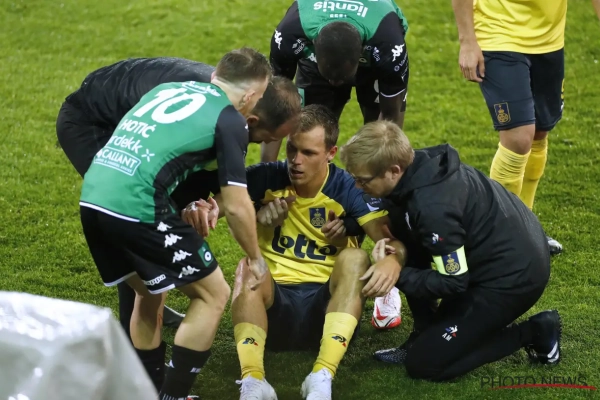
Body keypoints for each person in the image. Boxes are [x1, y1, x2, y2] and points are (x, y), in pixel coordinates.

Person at [78, 48, 273, 399]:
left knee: (148, 292)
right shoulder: (230, 119)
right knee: (214, 295)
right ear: (248, 96)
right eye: (258, 97)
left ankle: (148, 391)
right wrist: (255, 258)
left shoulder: (167, 89)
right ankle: (173, 395)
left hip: (93, 198)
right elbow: (236, 204)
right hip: (136, 205)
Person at [56, 57, 301, 333]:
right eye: (268, 137)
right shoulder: (228, 118)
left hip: (128, 110)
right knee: (135, 210)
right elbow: (233, 197)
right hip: (91, 120)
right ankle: (138, 313)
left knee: (172, 209)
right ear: (253, 118)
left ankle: (151, 299)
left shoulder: (230, 101)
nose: (266, 143)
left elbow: (224, 187)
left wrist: (205, 206)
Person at [183, 105, 404, 399]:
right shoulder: (264, 178)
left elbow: (390, 242)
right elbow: (213, 208)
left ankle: (322, 375)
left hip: (327, 311)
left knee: (356, 257)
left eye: (308, 153)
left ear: (331, 153)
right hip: (273, 312)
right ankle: (253, 381)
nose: (296, 161)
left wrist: (393, 260)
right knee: (248, 266)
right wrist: (206, 210)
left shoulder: (348, 189)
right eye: (292, 149)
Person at [339, 120, 562, 381]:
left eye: (362, 180)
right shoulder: (417, 168)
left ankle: (535, 331)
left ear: (393, 170)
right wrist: (349, 225)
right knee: (409, 241)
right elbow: (393, 212)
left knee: (425, 363)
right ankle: (423, 332)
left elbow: (454, 282)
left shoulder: (434, 210)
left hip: (513, 278)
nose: (357, 187)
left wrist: (395, 274)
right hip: (501, 251)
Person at [451, 0, 600, 255]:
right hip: (498, 34)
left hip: (549, 39)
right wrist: (467, 41)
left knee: (540, 131)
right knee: (519, 138)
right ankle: (496, 235)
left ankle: (525, 227)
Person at [262, 0, 410, 162]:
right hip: (316, 60)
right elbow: (276, 105)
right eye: (329, 78)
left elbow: (391, 116)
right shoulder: (290, 33)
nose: (334, 83)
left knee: (379, 132)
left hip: (373, 60)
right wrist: (266, 169)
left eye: (341, 79)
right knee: (309, 133)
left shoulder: (388, 44)